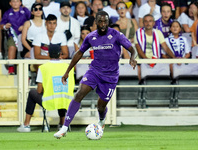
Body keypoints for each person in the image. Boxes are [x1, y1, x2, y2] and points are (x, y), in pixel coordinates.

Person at [53, 10, 137, 139]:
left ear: (108, 22)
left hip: (110, 76)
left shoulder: (116, 35)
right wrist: (67, 71)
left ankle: (102, 120)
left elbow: (132, 49)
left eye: (105, 22)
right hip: (94, 71)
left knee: (101, 106)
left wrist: (132, 58)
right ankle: (64, 128)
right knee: (79, 93)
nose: (103, 24)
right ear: (96, 22)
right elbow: (79, 53)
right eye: (100, 21)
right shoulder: (90, 37)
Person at [17, 44, 75, 132]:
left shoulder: (43, 67)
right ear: (60, 54)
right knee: (61, 93)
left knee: (32, 93)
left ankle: (26, 125)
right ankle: (62, 124)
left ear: (49, 54)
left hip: (49, 101)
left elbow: (39, 90)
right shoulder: (68, 66)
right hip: (67, 100)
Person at [134, 14, 175, 81]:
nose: (148, 23)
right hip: (141, 60)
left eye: (150, 21)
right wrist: (147, 60)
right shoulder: (138, 33)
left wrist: (174, 58)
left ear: (154, 23)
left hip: (156, 59)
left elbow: (166, 48)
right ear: (143, 23)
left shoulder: (158, 33)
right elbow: (139, 50)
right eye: (146, 21)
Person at [0, 0, 30, 74]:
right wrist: (5, 26)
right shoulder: (7, 13)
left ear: (20, 3)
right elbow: (1, 25)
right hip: (12, 35)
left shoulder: (25, 10)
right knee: (11, 47)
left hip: (25, 35)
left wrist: (25, 26)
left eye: (17, 1)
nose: (15, 3)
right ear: (10, 3)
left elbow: (31, 20)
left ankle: (27, 70)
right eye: (13, 1)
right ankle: (11, 68)